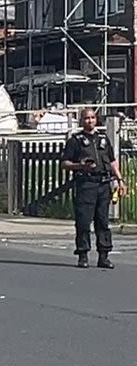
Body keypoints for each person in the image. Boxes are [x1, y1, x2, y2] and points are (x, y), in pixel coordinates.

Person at [60, 108, 127, 269]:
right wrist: (79, 166)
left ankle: (103, 256)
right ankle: (83, 255)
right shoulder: (76, 141)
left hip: (103, 184)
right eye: (86, 118)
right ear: (82, 121)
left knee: (103, 222)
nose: (90, 120)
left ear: (96, 119)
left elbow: (112, 161)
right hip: (86, 184)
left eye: (92, 117)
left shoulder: (103, 139)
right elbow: (64, 163)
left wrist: (120, 180)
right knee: (83, 222)